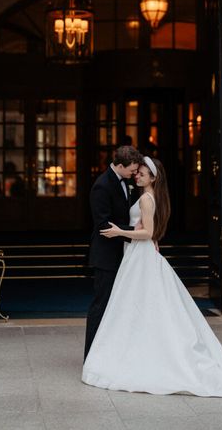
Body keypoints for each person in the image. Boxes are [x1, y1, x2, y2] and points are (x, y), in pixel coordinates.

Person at [82, 157, 222, 396]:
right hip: (137, 255)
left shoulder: (147, 199)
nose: (137, 176)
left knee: (138, 304)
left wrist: (120, 231)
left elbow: (148, 231)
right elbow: (149, 233)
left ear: (153, 177)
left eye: (142, 173)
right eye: (137, 172)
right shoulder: (148, 196)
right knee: (140, 305)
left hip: (139, 255)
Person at [84, 144, 143, 359]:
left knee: (118, 305)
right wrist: (135, 231)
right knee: (101, 304)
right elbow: (103, 225)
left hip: (122, 253)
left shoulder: (124, 182)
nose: (134, 173)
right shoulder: (102, 185)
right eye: (131, 170)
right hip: (106, 256)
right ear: (119, 165)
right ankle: (90, 355)